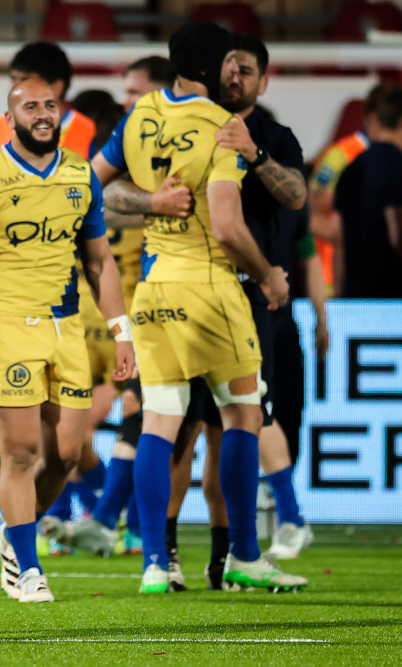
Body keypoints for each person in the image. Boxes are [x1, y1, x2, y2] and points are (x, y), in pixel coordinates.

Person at [90, 21, 307, 594]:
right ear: (214, 70)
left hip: (154, 288)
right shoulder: (219, 125)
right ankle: (243, 553)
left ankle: (155, 564)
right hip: (214, 287)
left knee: (158, 424)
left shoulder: (140, 116)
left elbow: (91, 186)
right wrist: (270, 276)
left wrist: (149, 203)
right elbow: (230, 226)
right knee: (243, 415)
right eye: (229, 65)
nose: (235, 76)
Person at [0, 78, 136, 602]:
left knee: (70, 453)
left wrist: (122, 332)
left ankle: (12, 533)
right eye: (31, 107)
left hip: (67, 327)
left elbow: (99, 262)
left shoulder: (80, 175)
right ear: (11, 119)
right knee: (22, 451)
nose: (43, 114)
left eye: (50, 105)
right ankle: (27, 568)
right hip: (6, 325)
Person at [161, 35, 317, 590]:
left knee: (238, 428)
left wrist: (253, 153)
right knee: (179, 429)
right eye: (227, 67)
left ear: (263, 81)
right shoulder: (185, 127)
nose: (234, 77)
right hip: (189, 294)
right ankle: (166, 554)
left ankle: (227, 557)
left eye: (245, 70)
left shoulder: (274, 138)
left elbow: (297, 196)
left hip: (251, 302)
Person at [58, 56, 180, 557]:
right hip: (95, 315)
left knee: (147, 411)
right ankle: (100, 516)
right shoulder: (99, 174)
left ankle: (111, 520)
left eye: (136, 93)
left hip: (141, 311)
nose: (129, 103)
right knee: (79, 429)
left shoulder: (164, 159)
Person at [308, 83, 402, 295]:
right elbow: (312, 216)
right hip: (338, 281)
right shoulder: (340, 155)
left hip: (394, 283)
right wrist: (351, 238)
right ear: (373, 116)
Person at [334, 87, 402, 298]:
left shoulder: (351, 168)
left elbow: (338, 238)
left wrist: (340, 297)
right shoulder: (401, 169)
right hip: (393, 298)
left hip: (355, 297)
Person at [0, 41, 96, 163]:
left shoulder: (90, 132)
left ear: (56, 88)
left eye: (24, 80)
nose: (15, 89)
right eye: (13, 79)